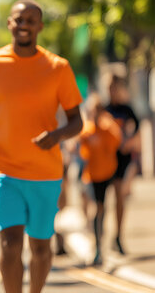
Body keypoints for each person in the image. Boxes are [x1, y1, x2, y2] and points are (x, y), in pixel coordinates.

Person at [0, 0, 83, 293]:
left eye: (31, 20)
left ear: (40, 27)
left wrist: (55, 136)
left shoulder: (58, 67)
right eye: (19, 19)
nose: (24, 25)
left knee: (41, 247)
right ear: (9, 23)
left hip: (45, 171)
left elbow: (76, 122)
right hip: (2, 167)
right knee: (10, 243)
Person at [79, 93, 122, 265]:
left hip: (107, 173)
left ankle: (102, 244)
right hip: (92, 175)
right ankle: (97, 245)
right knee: (97, 209)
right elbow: (83, 152)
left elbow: (116, 142)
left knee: (103, 208)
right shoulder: (88, 130)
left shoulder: (107, 127)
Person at [105, 74, 140, 255]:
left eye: (114, 87)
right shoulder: (103, 109)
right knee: (101, 202)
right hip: (104, 160)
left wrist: (130, 141)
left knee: (119, 197)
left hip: (121, 160)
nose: (112, 91)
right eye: (109, 87)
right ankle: (100, 239)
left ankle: (118, 236)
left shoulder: (127, 109)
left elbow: (138, 128)